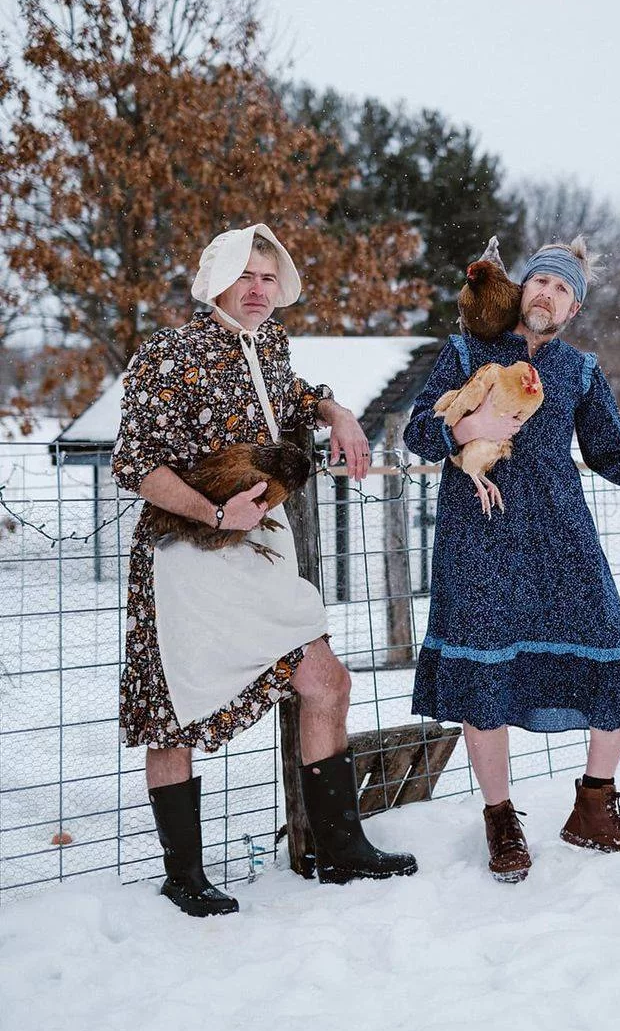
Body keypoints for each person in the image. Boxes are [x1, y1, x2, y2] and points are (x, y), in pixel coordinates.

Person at [112, 223, 416, 916]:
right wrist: (216, 517)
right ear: (216, 278)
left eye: (268, 278)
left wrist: (336, 409)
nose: (258, 289)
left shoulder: (270, 344)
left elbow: (293, 392)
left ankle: (339, 851)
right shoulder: (169, 352)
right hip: (186, 557)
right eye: (246, 275)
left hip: (260, 552)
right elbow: (135, 466)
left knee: (325, 680)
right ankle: (184, 875)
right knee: (173, 714)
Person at [403, 239, 620, 882]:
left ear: (573, 308)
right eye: (539, 281)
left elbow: (611, 452)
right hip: (478, 535)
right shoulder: (467, 351)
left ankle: (593, 810)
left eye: (562, 288)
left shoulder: (580, 370)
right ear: (521, 291)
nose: (547, 293)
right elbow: (416, 432)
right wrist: (463, 431)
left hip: (561, 537)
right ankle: (500, 820)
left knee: (616, 660)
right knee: (483, 684)